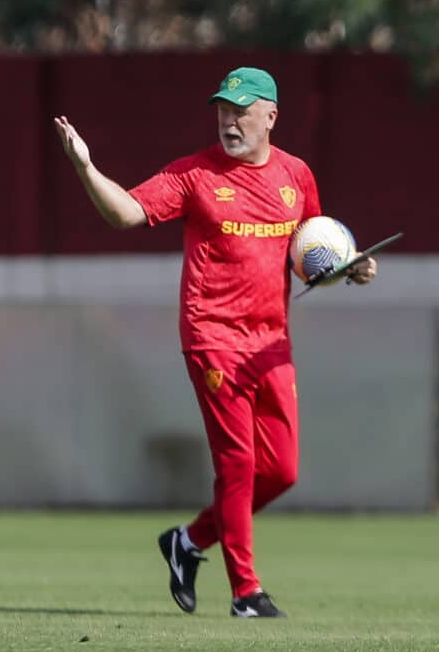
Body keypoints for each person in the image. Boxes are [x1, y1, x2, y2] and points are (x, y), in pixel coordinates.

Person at [53, 66, 377, 618]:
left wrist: (349, 269)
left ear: (270, 116)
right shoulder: (195, 175)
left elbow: (311, 254)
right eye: (224, 109)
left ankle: (189, 541)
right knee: (237, 465)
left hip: (271, 342)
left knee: (281, 472)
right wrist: (86, 168)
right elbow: (125, 213)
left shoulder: (297, 176)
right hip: (212, 337)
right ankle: (246, 592)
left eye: (242, 109)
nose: (229, 119)